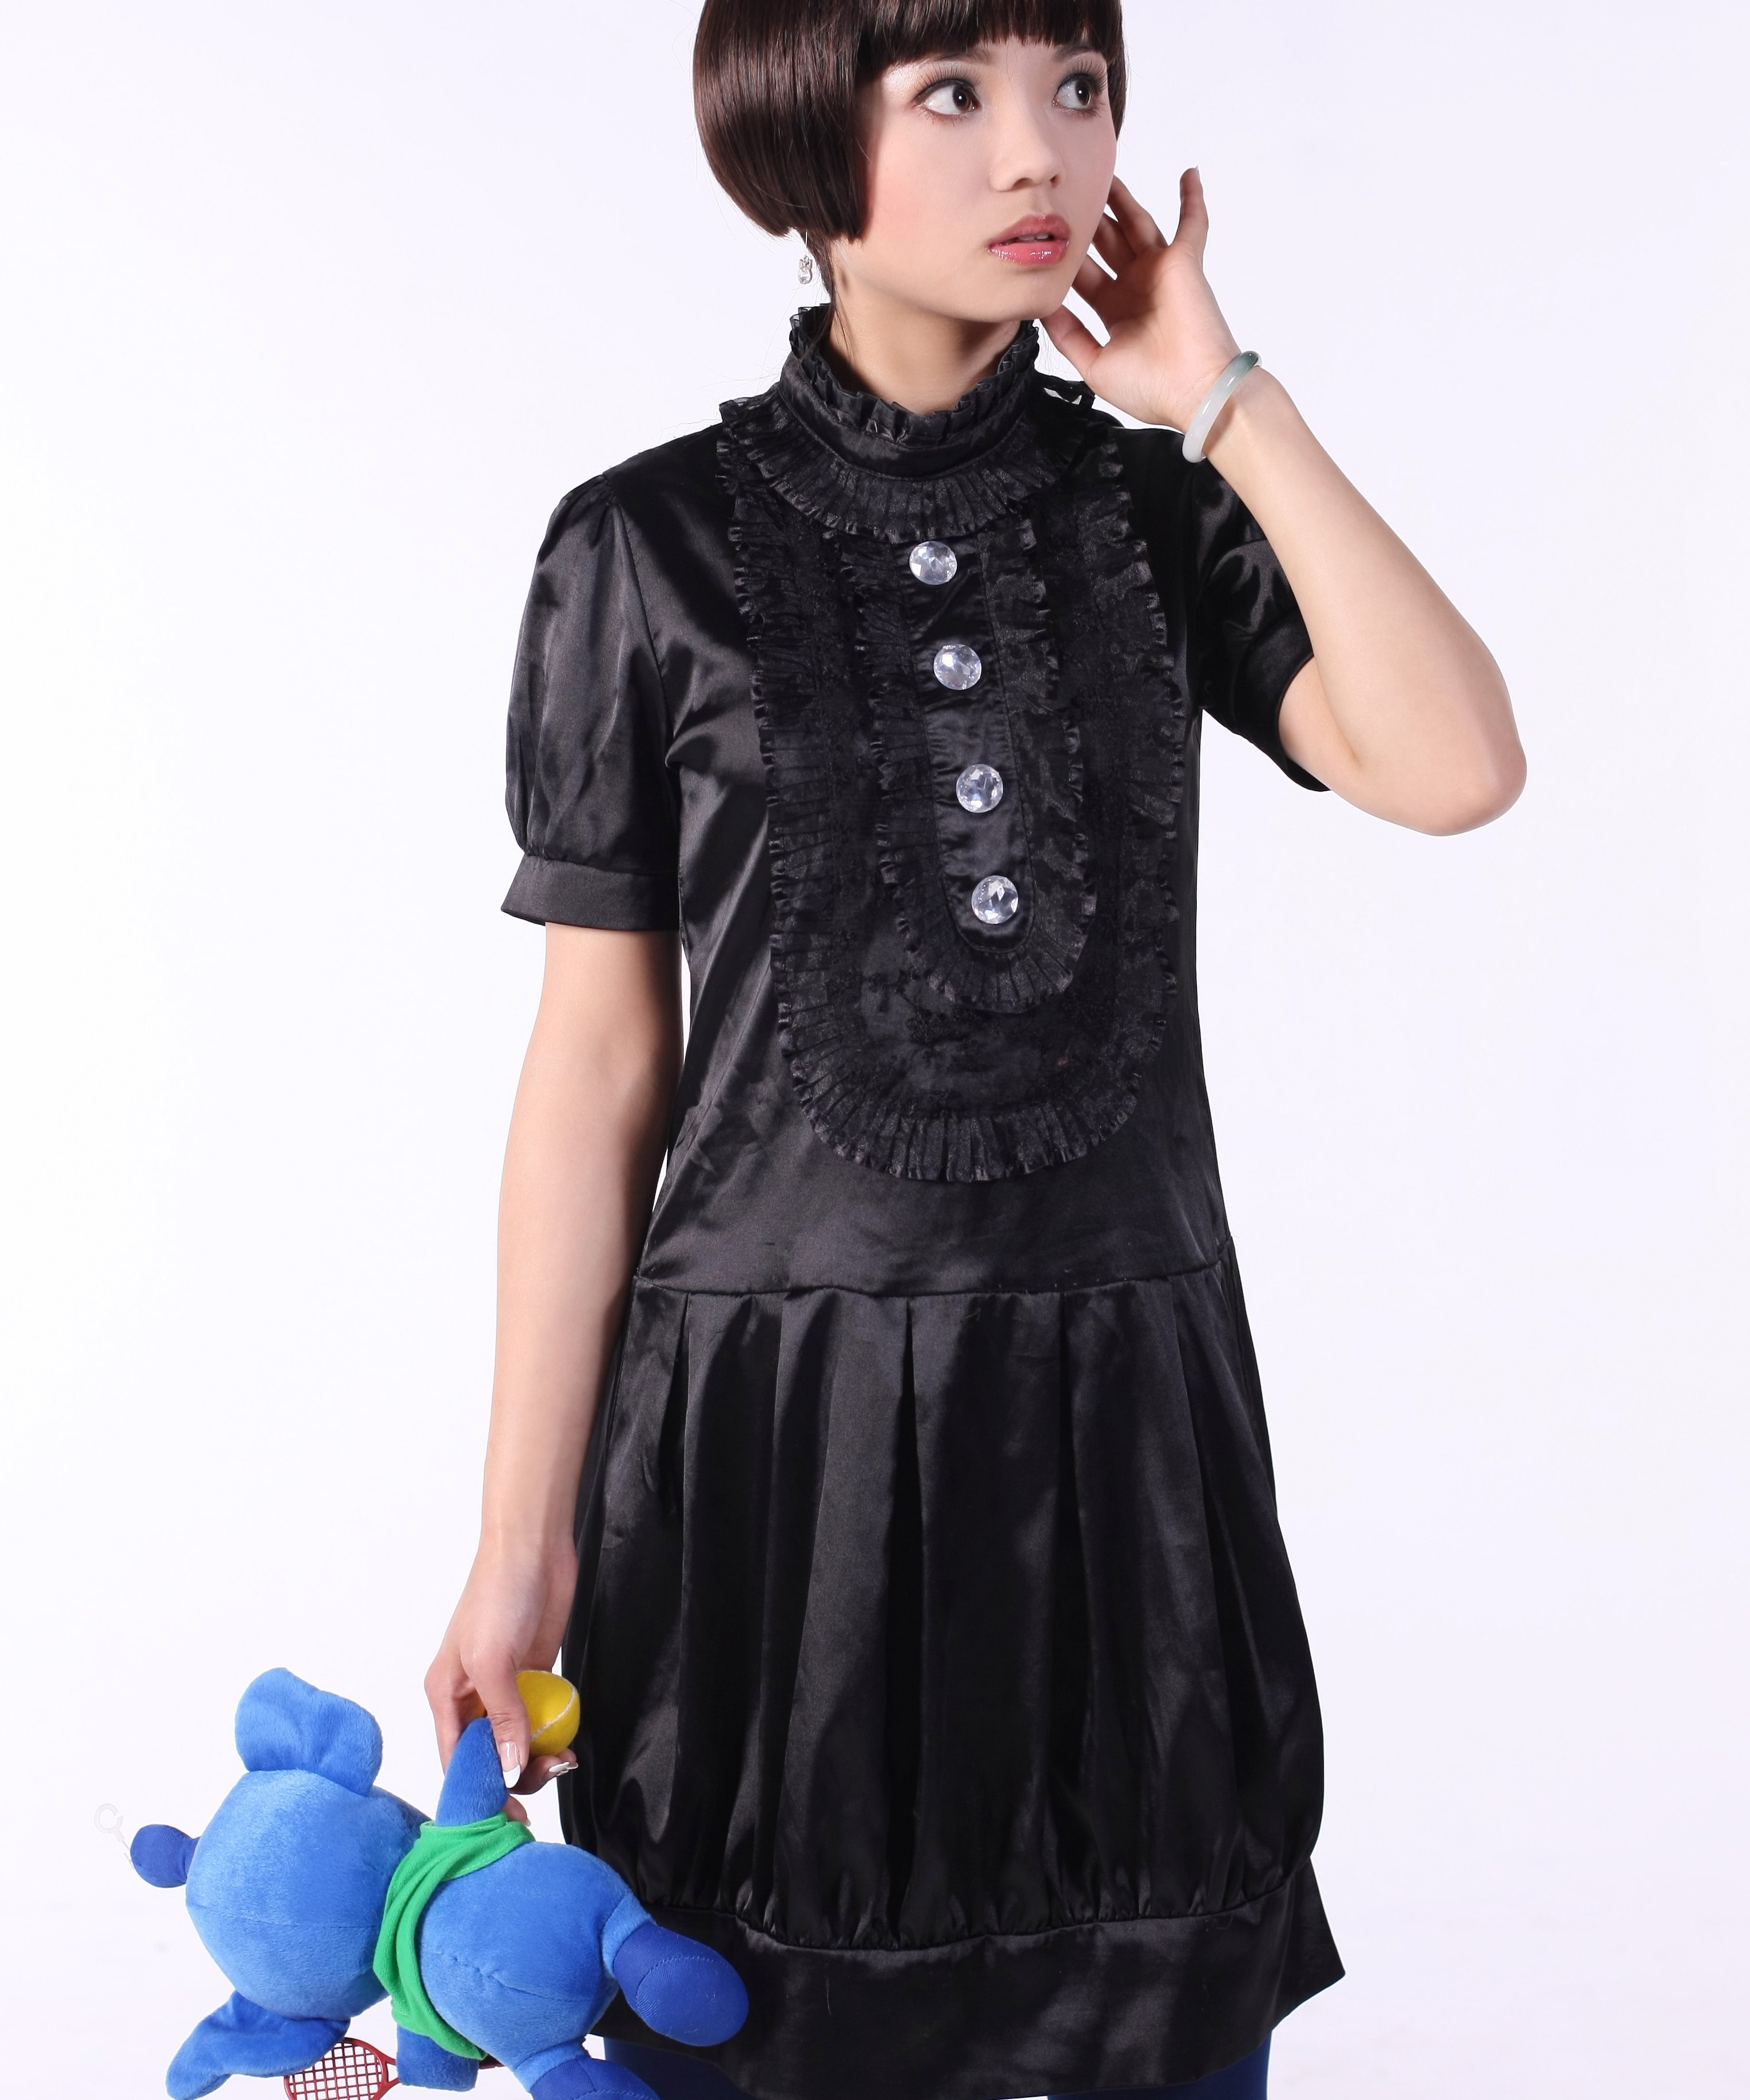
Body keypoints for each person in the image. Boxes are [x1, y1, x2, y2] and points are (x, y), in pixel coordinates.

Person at [425, 4, 1526, 2098]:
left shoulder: (1161, 518)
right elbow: (594, 1076)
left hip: (1121, 1446)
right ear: (794, 137)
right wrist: (517, 1542)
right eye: (955, 91)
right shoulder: (638, 550)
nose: (1042, 151)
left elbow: (1456, 766)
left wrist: (1227, 403)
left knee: (1162, 2024)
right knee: (744, 2026)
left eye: (1078, 89)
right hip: (775, 1464)